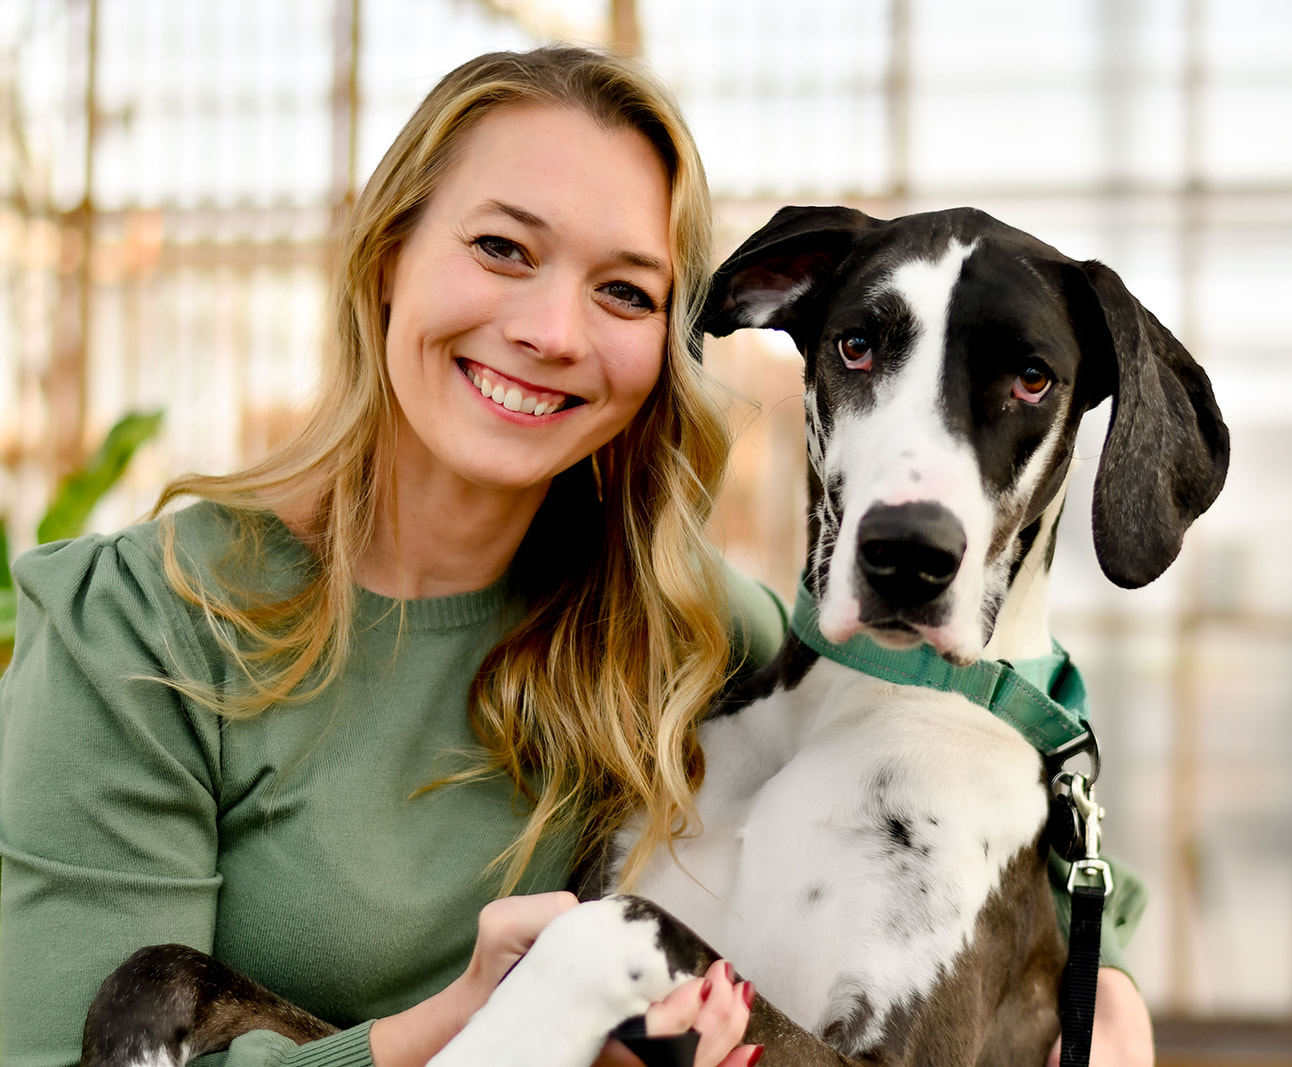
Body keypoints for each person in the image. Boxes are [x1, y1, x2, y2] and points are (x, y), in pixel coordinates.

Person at [0, 45, 1151, 1067]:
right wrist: (489, 1012)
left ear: (667, 339)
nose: (552, 331)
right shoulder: (137, 626)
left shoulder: (690, 631)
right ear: (389, 253)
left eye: (621, 290)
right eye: (503, 248)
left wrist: (1111, 984)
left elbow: (996, 809)